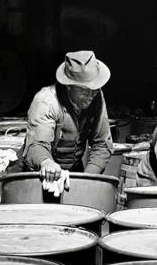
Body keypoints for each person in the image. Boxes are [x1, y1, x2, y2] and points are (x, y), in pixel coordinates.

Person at [22, 50, 114, 187]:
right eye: (84, 90)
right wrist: (46, 163)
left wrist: (86, 180)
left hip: (74, 171)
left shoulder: (96, 97)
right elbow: (37, 144)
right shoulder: (46, 101)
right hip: (39, 172)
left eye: (95, 88)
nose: (91, 95)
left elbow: (101, 144)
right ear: (68, 86)